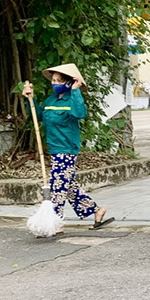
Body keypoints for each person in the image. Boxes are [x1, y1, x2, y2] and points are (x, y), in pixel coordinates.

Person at [22, 63, 111, 231]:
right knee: (68, 186)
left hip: (67, 150)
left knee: (58, 186)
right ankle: (97, 210)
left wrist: (76, 90)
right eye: (53, 80)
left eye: (59, 80)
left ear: (69, 83)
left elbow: (79, 114)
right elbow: (39, 115)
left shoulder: (73, 98)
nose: (54, 83)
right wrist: (30, 98)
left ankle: (55, 221)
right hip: (54, 149)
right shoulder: (52, 100)